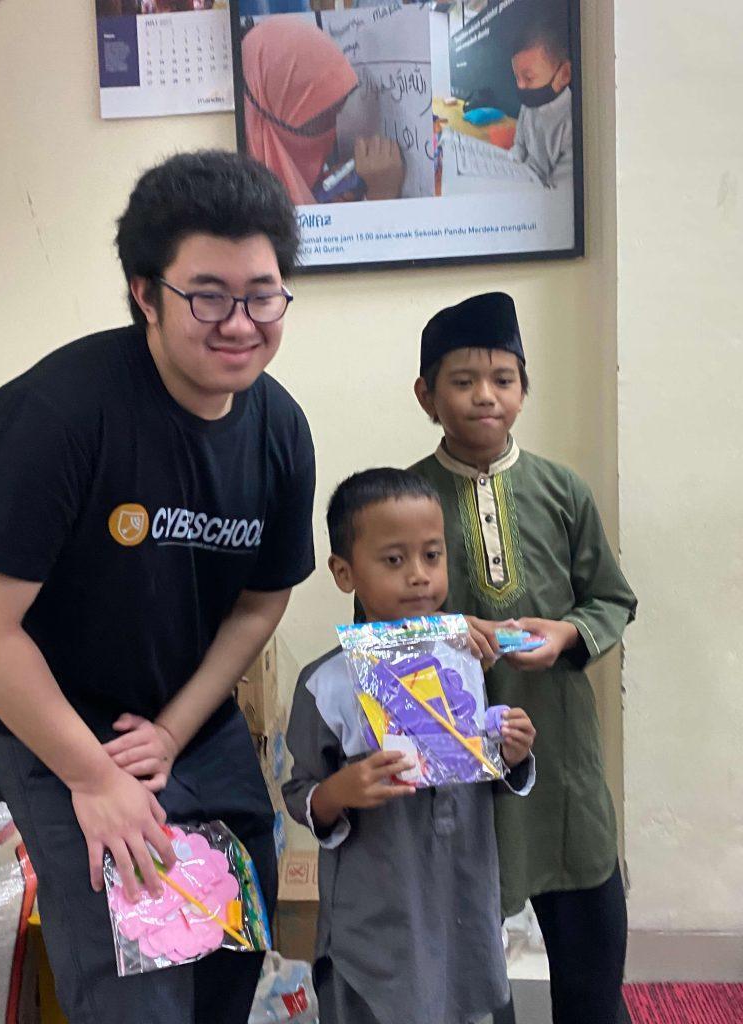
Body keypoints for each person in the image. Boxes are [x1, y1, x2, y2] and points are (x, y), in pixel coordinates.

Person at [0, 150, 316, 1024]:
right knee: (139, 983)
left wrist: (174, 727)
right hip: (57, 716)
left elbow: (261, 601)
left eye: (263, 295)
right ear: (145, 293)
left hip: (184, 716)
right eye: (208, 296)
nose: (240, 324)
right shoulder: (57, 414)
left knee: (235, 940)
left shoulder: (279, 427)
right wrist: (93, 777)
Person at [410, 292, 637, 1024]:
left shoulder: (561, 490)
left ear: (522, 390)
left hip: (560, 752)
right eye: (463, 380)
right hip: (456, 765)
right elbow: (376, 629)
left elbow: (610, 599)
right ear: (426, 396)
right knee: (473, 983)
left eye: (503, 379)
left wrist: (567, 635)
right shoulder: (404, 500)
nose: (486, 395)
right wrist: (448, 635)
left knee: (591, 964)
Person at [283, 468, 537, 1024]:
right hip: (377, 919)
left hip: (462, 896)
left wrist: (512, 754)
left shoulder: (468, 659)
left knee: (468, 997)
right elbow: (301, 794)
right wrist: (339, 791)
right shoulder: (326, 684)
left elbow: (483, 765)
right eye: (394, 560)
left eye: (432, 555)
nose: (419, 576)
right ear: (345, 573)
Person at [242, 16, 404, 204]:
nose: (331, 133)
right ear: (276, 119)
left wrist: (318, 191)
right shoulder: (246, 200)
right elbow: (288, 221)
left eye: (335, 114)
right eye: (322, 119)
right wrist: (382, 198)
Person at [508, 18, 573, 187]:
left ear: (564, 75)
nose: (520, 86)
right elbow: (519, 146)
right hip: (521, 180)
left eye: (528, 78)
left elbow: (559, 187)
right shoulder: (528, 106)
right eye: (517, 77)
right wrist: (509, 165)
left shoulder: (570, 121)